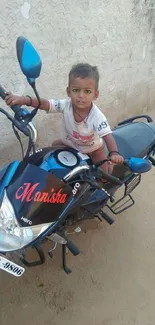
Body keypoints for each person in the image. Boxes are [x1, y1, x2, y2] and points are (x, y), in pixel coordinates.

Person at [5, 63, 124, 173]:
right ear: (68, 91)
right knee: (52, 149)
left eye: (87, 91)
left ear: (95, 95)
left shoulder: (97, 116)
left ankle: (109, 167)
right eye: (76, 90)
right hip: (71, 143)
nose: (81, 96)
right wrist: (24, 100)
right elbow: (46, 104)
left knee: (103, 176)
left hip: (93, 149)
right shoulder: (65, 105)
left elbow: (108, 136)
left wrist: (114, 153)